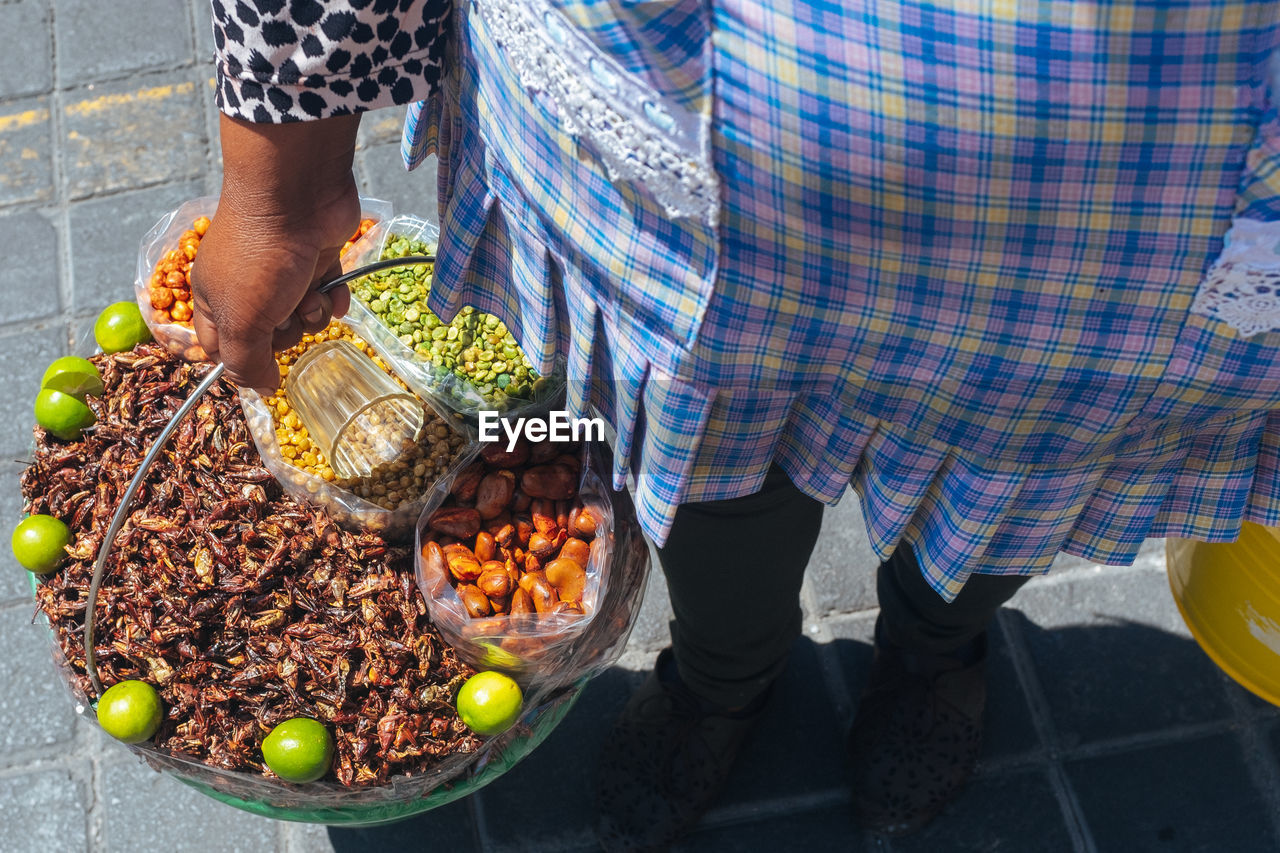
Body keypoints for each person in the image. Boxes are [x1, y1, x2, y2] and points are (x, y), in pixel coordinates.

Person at [191, 0, 1280, 848]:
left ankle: (937, 651)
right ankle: (721, 681)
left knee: (1016, 466)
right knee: (705, 474)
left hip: (1134, 214)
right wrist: (280, 161)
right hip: (689, 175)